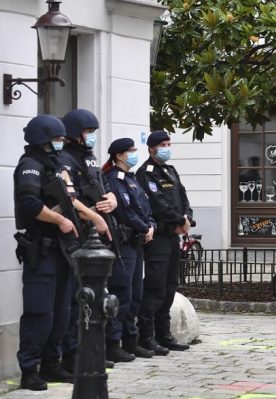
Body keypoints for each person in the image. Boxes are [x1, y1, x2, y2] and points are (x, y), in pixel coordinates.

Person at [14, 115, 110, 391]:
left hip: (62, 249)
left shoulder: (56, 165)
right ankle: (29, 369)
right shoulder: (30, 166)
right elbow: (30, 203)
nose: (60, 143)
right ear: (43, 139)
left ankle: (51, 363)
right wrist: (60, 220)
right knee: (39, 311)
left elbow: (68, 197)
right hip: (41, 249)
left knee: (62, 311)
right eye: (56, 139)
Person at [58, 109, 118, 371]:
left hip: (98, 233)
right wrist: (94, 217)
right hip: (80, 234)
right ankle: (73, 354)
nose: (92, 137)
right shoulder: (65, 159)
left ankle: (93, 349)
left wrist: (112, 200)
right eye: (88, 132)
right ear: (75, 133)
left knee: (97, 295)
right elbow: (69, 196)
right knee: (78, 297)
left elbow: (103, 186)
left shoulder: (90, 158)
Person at [135, 130, 193, 353]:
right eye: (163, 145)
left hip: (173, 236)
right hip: (158, 237)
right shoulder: (146, 173)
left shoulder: (170, 170)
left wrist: (187, 218)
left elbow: (183, 197)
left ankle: (164, 334)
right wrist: (179, 220)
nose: (167, 148)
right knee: (155, 287)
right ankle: (147, 337)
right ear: (151, 148)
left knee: (170, 286)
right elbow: (157, 203)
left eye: (169, 144)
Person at [101, 138, 157, 361]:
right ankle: (113, 343)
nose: (134, 153)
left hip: (137, 242)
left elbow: (145, 208)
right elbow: (124, 212)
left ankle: (130, 341)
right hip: (123, 244)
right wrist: (145, 226)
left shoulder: (132, 180)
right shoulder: (114, 179)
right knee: (121, 293)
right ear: (119, 155)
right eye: (131, 150)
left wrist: (151, 226)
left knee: (135, 295)